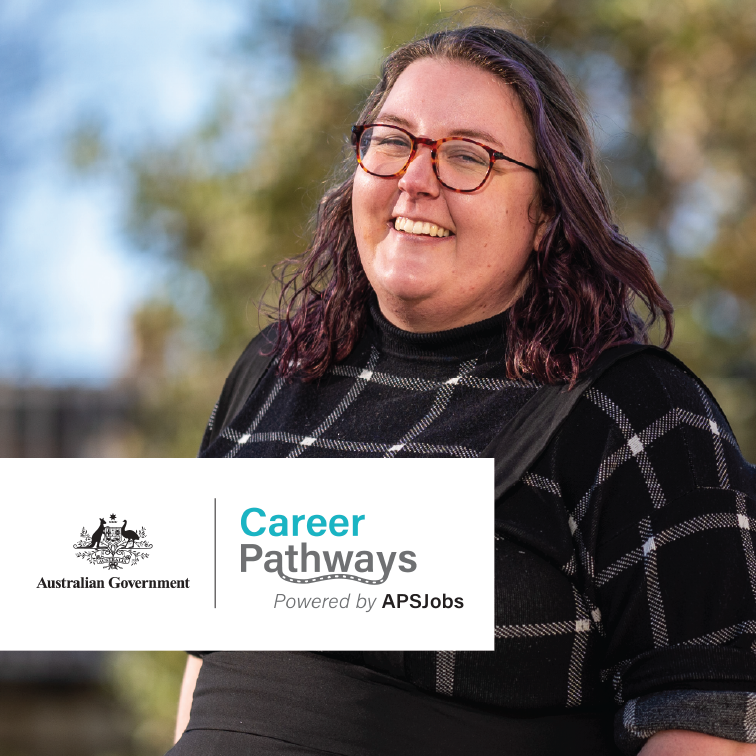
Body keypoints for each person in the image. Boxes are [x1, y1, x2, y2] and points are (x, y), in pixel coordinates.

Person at [168, 23, 756, 756]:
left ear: (545, 216)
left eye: (467, 157)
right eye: (391, 141)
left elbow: (709, 726)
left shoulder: (635, 415)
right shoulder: (273, 373)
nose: (416, 179)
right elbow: (206, 670)